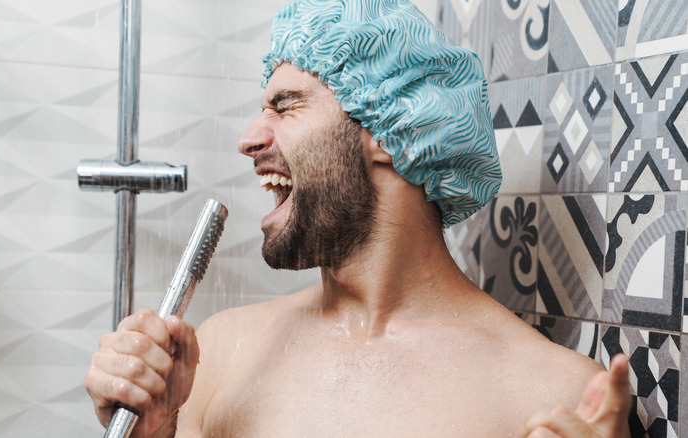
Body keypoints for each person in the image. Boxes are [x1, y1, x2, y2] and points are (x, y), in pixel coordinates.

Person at [85, 0, 632, 436]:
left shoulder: (549, 394)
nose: (249, 139)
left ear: (392, 131)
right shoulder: (222, 354)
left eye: (285, 104)